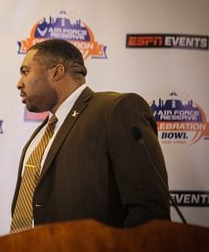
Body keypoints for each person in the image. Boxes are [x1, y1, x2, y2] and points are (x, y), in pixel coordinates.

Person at [11, 39, 170, 232]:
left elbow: (148, 210)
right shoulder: (44, 131)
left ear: (57, 72)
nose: (19, 83)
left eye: (25, 71)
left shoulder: (115, 110)